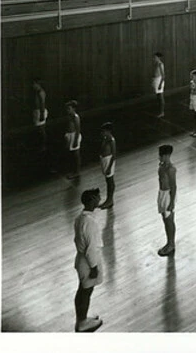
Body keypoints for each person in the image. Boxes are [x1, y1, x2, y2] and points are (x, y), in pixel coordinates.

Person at [73, 188, 104, 332]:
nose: (100, 198)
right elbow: (91, 248)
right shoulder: (90, 223)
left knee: (82, 291)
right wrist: (94, 267)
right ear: (91, 200)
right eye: (97, 197)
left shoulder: (80, 218)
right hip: (88, 263)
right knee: (86, 293)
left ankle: (81, 319)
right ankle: (83, 323)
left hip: (81, 260)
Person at [157, 144, 177, 256]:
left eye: (161, 155)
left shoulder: (171, 169)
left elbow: (174, 187)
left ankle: (171, 244)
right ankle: (168, 242)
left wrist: (172, 202)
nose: (159, 157)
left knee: (169, 221)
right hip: (161, 194)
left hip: (168, 195)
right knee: (165, 220)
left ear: (166, 155)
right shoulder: (162, 166)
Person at [98, 123, 116, 209]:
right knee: (108, 181)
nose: (102, 133)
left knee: (110, 181)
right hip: (105, 160)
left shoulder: (111, 140)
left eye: (104, 131)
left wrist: (109, 167)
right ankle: (108, 200)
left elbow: (114, 155)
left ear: (108, 131)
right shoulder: (105, 139)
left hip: (109, 161)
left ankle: (110, 200)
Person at [65, 100, 82, 180]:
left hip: (75, 136)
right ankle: (73, 171)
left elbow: (78, 129)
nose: (67, 110)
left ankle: (77, 172)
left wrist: (75, 140)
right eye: (67, 109)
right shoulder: (69, 116)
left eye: (69, 108)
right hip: (70, 136)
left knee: (76, 155)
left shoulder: (76, 117)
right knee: (71, 155)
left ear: (73, 109)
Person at [32, 78, 48, 155]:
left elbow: (42, 104)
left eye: (35, 84)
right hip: (36, 111)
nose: (33, 86)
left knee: (41, 129)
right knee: (38, 129)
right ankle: (40, 144)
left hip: (39, 111)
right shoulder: (36, 92)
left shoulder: (41, 92)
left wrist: (41, 114)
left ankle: (43, 145)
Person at [152, 52, 165, 117]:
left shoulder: (160, 64)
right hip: (156, 80)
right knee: (158, 97)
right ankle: (160, 110)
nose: (154, 58)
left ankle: (162, 112)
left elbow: (163, 75)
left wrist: (160, 84)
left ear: (158, 57)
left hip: (159, 80)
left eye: (155, 57)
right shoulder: (156, 64)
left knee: (161, 97)